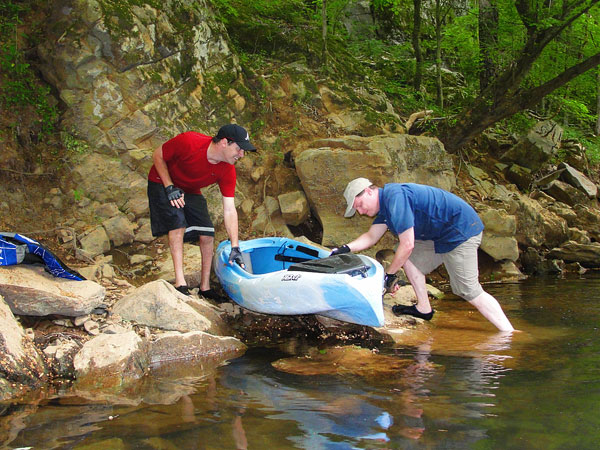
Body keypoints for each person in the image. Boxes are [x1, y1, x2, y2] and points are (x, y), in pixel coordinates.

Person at [331, 178, 514, 332]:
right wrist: (345, 248)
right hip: (438, 236)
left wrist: (390, 275)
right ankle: (424, 309)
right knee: (407, 256)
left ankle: (509, 333)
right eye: (357, 210)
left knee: (467, 290)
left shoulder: (396, 198)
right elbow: (371, 237)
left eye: (360, 205)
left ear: (369, 192)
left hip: (460, 231)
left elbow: (408, 243)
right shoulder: (386, 208)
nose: (361, 212)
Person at [147, 123, 256, 298]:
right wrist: (169, 187)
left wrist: (235, 246)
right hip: (162, 181)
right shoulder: (190, 142)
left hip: (190, 189)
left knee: (207, 233)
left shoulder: (227, 170)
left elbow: (229, 209)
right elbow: (157, 155)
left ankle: (205, 288)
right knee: (177, 224)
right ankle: (180, 284)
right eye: (239, 149)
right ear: (224, 143)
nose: (241, 155)